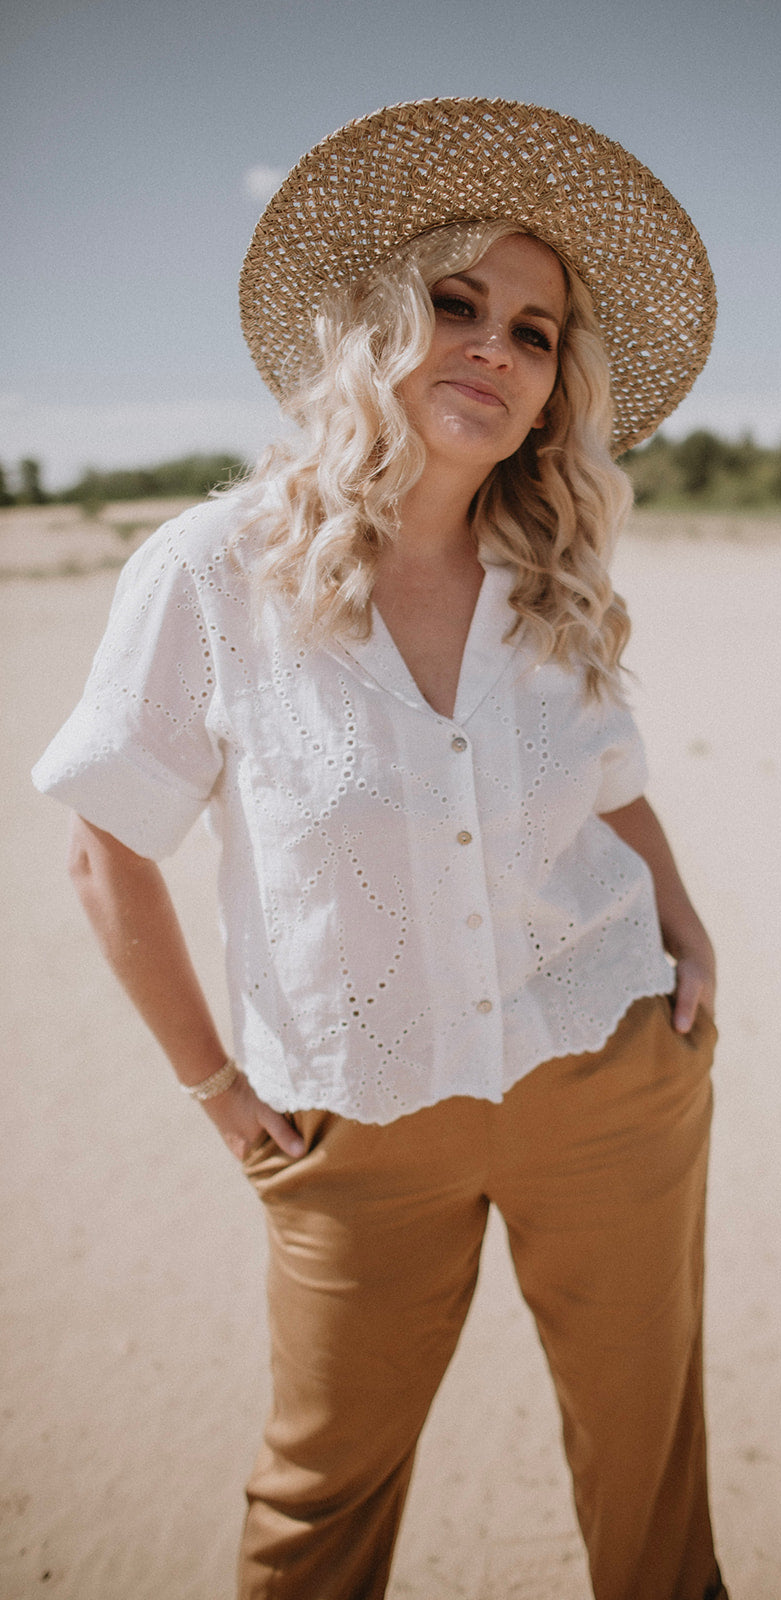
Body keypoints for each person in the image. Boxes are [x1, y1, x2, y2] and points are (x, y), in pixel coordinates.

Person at [33, 98, 727, 1600]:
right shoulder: (213, 569)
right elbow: (107, 852)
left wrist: (687, 930)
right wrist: (218, 1094)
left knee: (651, 1487)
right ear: (376, 330)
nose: (494, 348)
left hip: (607, 1072)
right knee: (315, 1511)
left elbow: (611, 783)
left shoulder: (551, 569)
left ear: (552, 390)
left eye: (534, 332)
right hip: (352, 1121)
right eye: (456, 304)